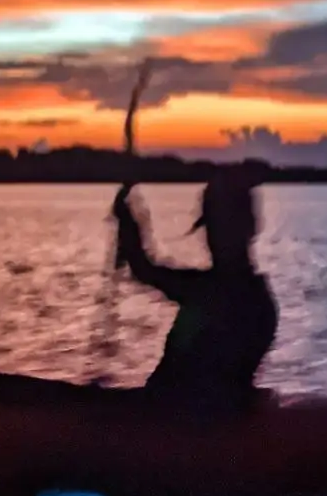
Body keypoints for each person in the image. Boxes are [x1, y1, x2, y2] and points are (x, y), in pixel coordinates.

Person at [112, 170, 278, 417]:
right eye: (211, 227)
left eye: (221, 227)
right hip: (194, 415)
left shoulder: (215, 293)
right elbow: (146, 270)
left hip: (182, 422)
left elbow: (146, 270)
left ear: (246, 231)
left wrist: (128, 224)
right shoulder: (257, 300)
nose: (213, 238)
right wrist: (128, 222)